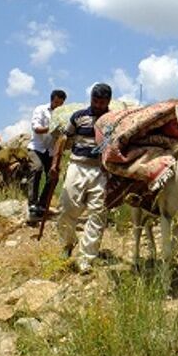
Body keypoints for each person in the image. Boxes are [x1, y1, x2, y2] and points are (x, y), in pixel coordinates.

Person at [52, 83, 111, 274]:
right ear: (91, 99)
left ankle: (87, 257)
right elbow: (63, 138)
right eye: (96, 101)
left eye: (103, 102)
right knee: (66, 209)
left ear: (108, 101)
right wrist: (55, 164)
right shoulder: (79, 116)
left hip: (101, 171)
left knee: (98, 213)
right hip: (77, 166)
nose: (99, 105)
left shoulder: (113, 120)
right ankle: (68, 244)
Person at [27, 89, 67, 223]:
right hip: (36, 148)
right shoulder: (41, 110)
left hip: (51, 150)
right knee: (36, 169)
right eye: (56, 102)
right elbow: (36, 128)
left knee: (53, 175)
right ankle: (32, 204)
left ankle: (42, 204)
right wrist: (52, 128)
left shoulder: (63, 115)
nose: (58, 106)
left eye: (61, 104)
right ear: (52, 100)